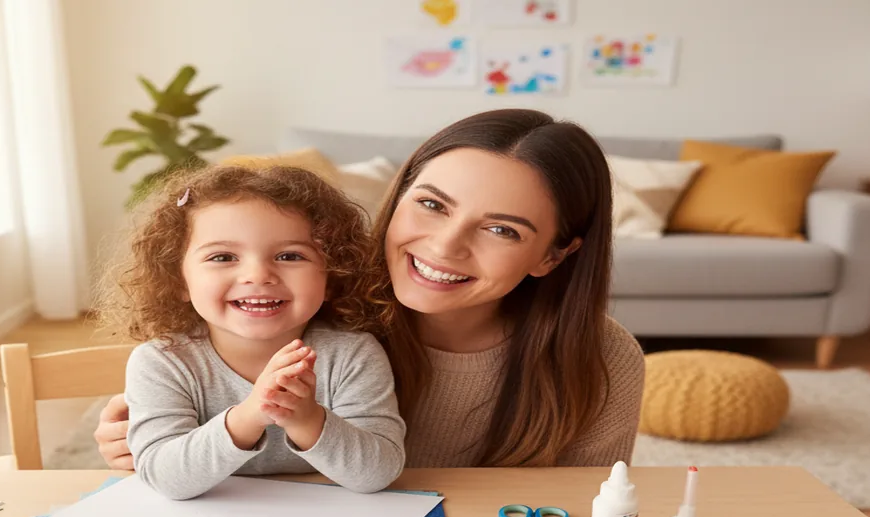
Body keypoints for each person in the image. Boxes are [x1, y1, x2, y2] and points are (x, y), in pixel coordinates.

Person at [94, 109, 644, 472]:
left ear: (553, 255)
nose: (445, 246)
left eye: (502, 230)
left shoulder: (599, 356)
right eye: (431, 204)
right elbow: (194, 404)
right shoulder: (308, 308)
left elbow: (586, 509)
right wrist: (143, 442)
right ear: (398, 194)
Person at [98, 164, 405, 500]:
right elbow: (164, 477)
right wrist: (249, 416)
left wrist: (306, 419)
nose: (258, 275)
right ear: (178, 281)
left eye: (289, 255)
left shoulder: (353, 354)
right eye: (223, 257)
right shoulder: (162, 362)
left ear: (333, 276)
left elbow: (379, 472)